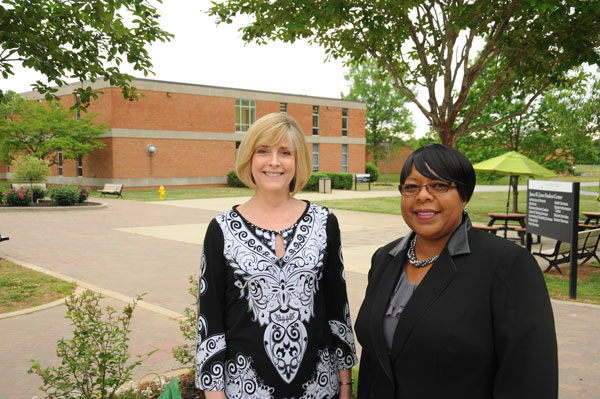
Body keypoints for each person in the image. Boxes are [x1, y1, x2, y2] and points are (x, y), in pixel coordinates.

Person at [355, 144, 558, 398]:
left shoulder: (507, 265)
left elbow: (529, 377)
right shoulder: (385, 258)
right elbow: (376, 361)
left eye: (439, 186)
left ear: (464, 195)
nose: (423, 196)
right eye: (411, 187)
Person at [195, 113, 358, 399]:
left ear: (298, 162)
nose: (274, 162)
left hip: (320, 389)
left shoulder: (324, 222)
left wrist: (345, 385)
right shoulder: (220, 229)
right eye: (263, 151)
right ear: (249, 159)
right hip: (244, 391)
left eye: (285, 152)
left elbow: (337, 310)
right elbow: (210, 321)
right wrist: (214, 393)